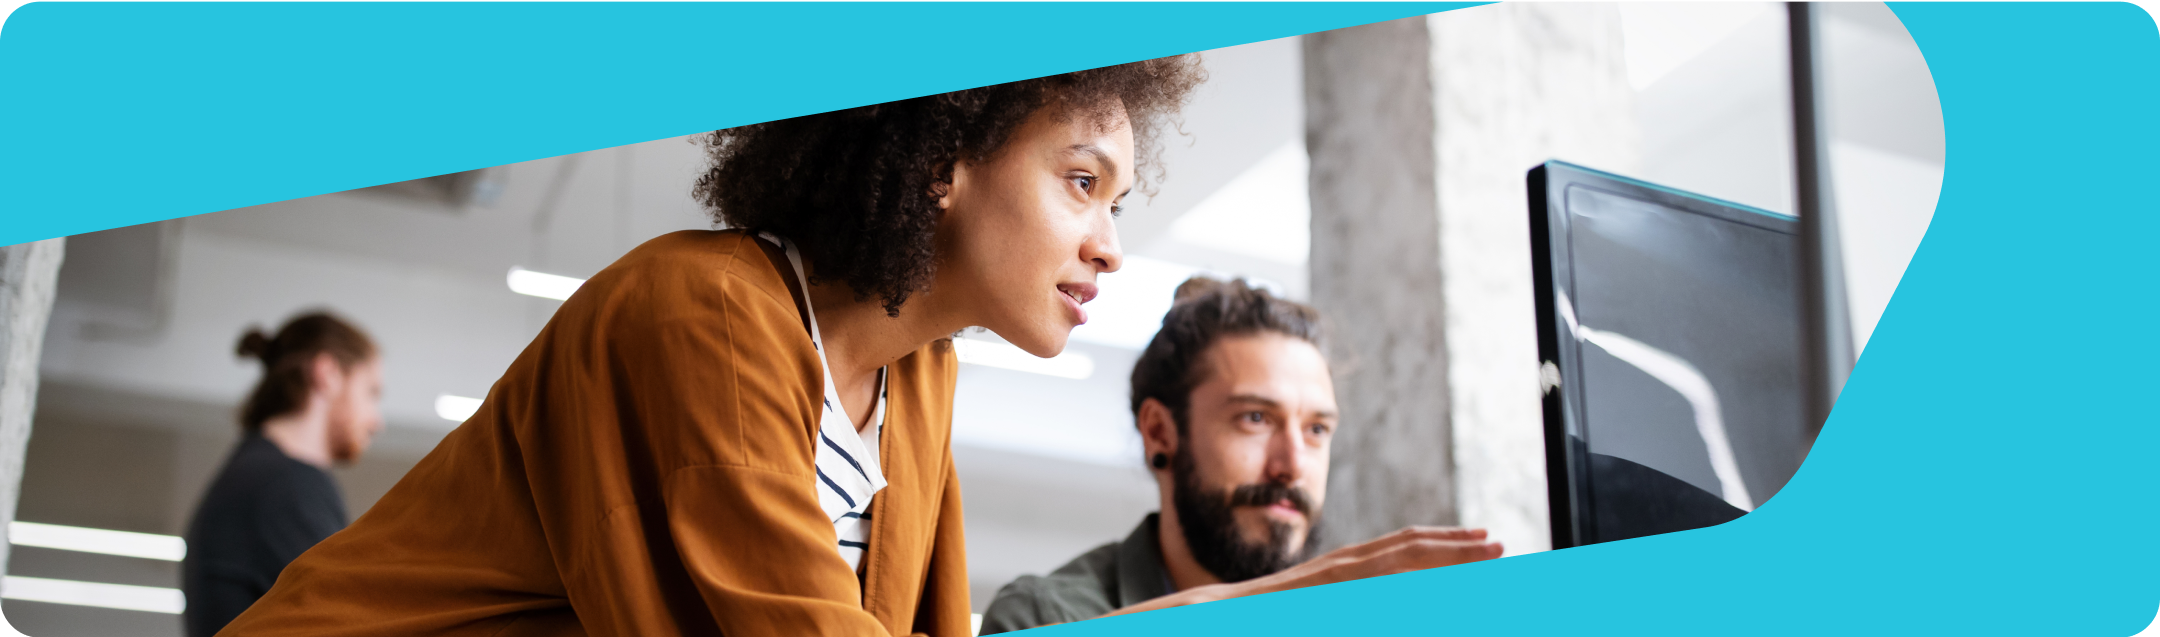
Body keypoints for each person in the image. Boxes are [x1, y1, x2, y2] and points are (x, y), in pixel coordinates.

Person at [218, 56, 1205, 637]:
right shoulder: (703, 313)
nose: (1111, 247)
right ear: (944, 158)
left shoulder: (921, 370)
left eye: (1117, 203)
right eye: (1083, 182)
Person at [978, 278, 1503, 633]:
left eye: (1317, 428)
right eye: (1255, 418)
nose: (1292, 464)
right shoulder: (1047, 617)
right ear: (1161, 432)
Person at [181, 311, 384, 637]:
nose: (376, 421)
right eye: (371, 392)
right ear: (327, 372)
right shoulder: (287, 484)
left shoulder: (257, 475)